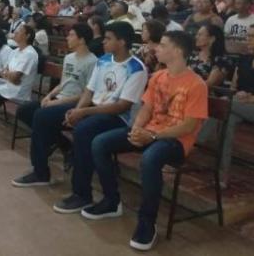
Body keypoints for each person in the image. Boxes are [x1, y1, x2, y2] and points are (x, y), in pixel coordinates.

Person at [88, 31, 207, 251]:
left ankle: (147, 224)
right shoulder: (159, 76)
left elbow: (189, 126)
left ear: (178, 51)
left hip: (176, 141)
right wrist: (136, 128)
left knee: (151, 159)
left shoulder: (196, 84)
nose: (155, 49)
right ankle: (111, 201)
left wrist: (151, 136)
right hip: (150, 132)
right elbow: (147, 107)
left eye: (162, 45)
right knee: (100, 143)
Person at [11, 22, 147, 204]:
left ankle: (82, 194)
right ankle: (41, 172)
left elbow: (121, 106)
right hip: (93, 109)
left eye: (108, 38)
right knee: (42, 116)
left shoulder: (136, 68)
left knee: (83, 130)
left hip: (117, 118)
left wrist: (82, 112)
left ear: (122, 42)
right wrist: (76, 110)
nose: (103, 42)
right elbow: (89, 91)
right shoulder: (104, 60)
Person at [14, 23, 97, 134]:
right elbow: (63, 83)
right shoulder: (69, 58)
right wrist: (49, 96)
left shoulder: (92, 62)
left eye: (71, 35)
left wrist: (56, 102)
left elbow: (87, 94)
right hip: (59, 98)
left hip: (73, 103)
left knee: (40, 115)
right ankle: (58, 141)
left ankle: (44, 145)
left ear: (81, 40)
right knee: (23, 111)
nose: (67, 38)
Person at [213, 22, 254, 182]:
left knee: (222, 105)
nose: (247, 38)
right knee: (229, 119)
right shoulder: (244, 59)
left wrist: (251, 98)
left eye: (252, 35)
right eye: (247, 35)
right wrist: (236, 95)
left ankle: (196, 140)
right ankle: (223, 173)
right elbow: (234, 86)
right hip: (239, 105)